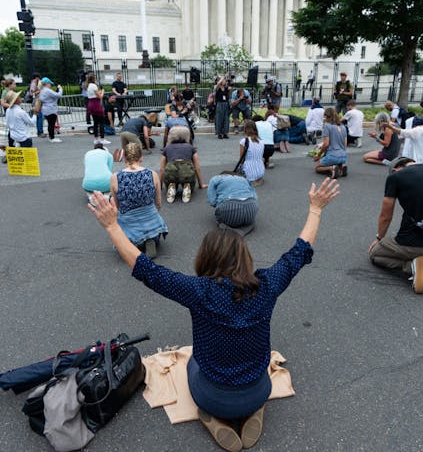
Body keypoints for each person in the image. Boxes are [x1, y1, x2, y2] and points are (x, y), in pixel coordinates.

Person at [88, 178, 339, 451]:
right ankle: (253, 410)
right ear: (245, 258)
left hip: (212, 397)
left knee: (191, 361)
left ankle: (212, 418)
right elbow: (299, 253)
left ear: (205, 258)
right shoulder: (267, 286)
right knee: (254, 372)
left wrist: (112, 225)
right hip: (258, 391)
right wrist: (316, 209)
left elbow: (147, 271)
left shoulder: (199, 291)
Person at [368, 156, 423, 294]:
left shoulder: (396, 177)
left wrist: (379, 238)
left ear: (394, 170)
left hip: (411, 245)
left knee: (375, 255)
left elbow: (386, 215)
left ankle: (411, 266)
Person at [109, 142, 168, 258]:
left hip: (128, 222)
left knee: (125, 231)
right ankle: (149, 237)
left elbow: (115, 207)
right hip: (150, 220)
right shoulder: (152, 174)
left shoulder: (115, 177)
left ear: (124, 157)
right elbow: (159, 203)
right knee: (152, 221)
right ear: (141, 157)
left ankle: (131, 243)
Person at [159, 125, 206, 204]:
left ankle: (171, 187)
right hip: (187, 172)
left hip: (171, 172)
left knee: (170, 178)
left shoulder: (167, 148)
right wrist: (201, 184)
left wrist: (160, 186)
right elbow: (197, 167)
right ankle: (187, 187)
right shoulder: (191, 147)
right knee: (188, 178)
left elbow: (161, 169)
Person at [313, 107, 348, 178]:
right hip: (343, 156)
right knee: (334, 160)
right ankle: (341, 166)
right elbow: (345, 144)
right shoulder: (343, 127)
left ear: (327, 116)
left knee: (317, 168)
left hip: (332, 155)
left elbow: (326, 144)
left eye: (325, 117)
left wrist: (319, 155)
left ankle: (331, 168)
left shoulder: (327, 126)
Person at [238, 120, 265, 186]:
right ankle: (257, 179)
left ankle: (249, 181)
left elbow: (241, 159)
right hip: (261, 171)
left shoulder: (244, 141)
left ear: (245, 130)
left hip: (249, 172)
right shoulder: (261, 142)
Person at [86, 73, 109, 145]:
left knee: (95, 122)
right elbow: (100, 97)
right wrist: (102, 92)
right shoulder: (94, 85)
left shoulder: (88, 86)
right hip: (96, 104)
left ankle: (96, 138)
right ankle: (102, 138)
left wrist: (98, 92)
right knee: (101, 122)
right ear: (93, 78)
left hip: (91, 104)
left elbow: (94, 94)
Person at [39, 77, 63, 143]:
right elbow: (58, 95)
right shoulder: (48, 90)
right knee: (51, 124)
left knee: (50, 124)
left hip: (45, 109)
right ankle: (52, 137)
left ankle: (51, 136)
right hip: (51, 109)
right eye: (50, 83)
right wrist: (60, 89)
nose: (50, 85)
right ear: (47, 83)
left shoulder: (42, 90)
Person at [28, 73, 44, 138]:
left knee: (40, 116)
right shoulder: (34, 83)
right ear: (36, 78)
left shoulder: (34, 83)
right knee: (40, 116)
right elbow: (32, 93)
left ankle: (40, 131)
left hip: (37, 101)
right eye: (38, 78)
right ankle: (40, 132)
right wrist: (39, 91)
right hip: (37, 102)